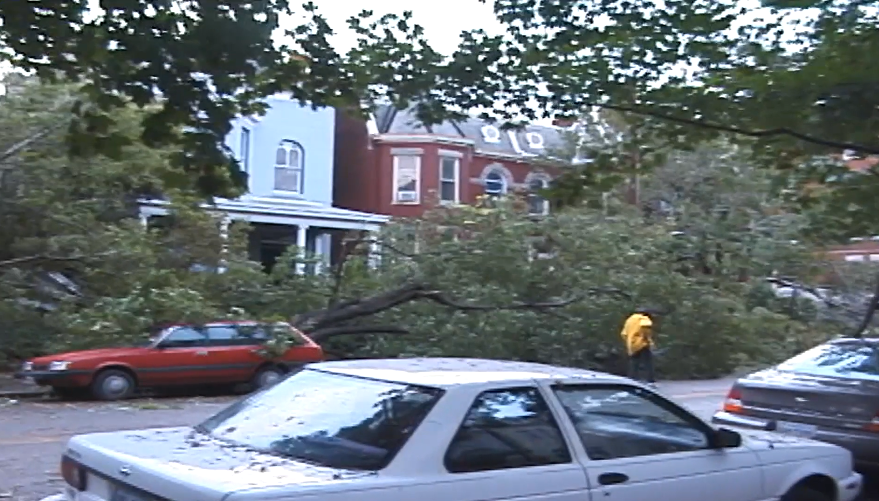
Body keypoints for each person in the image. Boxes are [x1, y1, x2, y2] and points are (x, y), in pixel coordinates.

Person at [620, 307, 659, 387]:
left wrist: (629, 341)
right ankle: (650, 381)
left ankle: (631, 381)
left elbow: (623, 333)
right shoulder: (643, 318)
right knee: (648, 362)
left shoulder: (629, 320)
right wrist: (648, 340)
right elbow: (645, 327)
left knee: (634, 363)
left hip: (632, 344)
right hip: (642, 342)